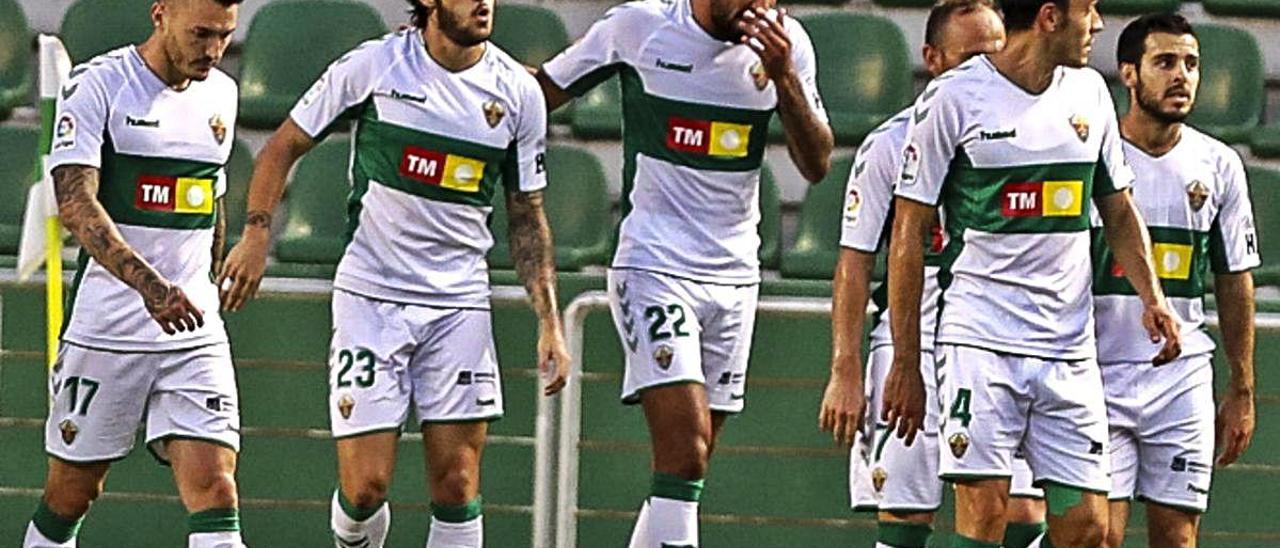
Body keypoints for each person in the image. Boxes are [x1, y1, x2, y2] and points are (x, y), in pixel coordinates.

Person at [217, 0, 570, 546]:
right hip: (372, 296)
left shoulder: (517, 93)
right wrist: (258, 233)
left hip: (458, 303)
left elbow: (527, 214)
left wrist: (549, 318)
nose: (485, 3)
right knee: (366, 488)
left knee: (456, 482)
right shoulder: (376, 67)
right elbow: (282, 145)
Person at [880, 0, 1184, 546]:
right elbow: (908, 232)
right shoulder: (953, 98)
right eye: (1087, 10)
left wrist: (1152, 296)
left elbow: (1117, 207)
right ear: (1049, 16)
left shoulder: (1089, 91)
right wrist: (907, 359)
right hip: (981, 341)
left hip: (1068, 349)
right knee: (985, 515)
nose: (1096, 24)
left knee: (1088, 527)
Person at [535, 1, 833, 545]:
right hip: (654, 262)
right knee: (686, 449)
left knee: (685, 472)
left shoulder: (786, 45)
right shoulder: (640, 28)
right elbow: (542, 92)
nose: (760, 6)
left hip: (736, 275)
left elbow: (816, 162)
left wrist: (786, 75)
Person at [820, 2, 1046, 546]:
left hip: (997, 343)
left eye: (996, 53)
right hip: (909, 345)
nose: (987, 68)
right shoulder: (890, 145)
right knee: (906, 516)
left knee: (1020, 514)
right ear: (933, 58)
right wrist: (846, 367)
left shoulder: (1031, 136)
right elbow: (854, 262)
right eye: (971, 56)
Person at [24, 1, 245, 547]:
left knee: (216, 489)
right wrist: (152, 287)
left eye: (224, 36)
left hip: (194, 330)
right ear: (160, 14)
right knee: (72, 495)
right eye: (200, 33)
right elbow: (75, 204)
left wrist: (208, 280)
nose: (213, 51)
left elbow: (209, 196)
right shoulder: (99, 84)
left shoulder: (223, 93)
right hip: (110, 330)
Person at [1096, 13, 1259, 548]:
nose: (1181, 76)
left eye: (1191, 64)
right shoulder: (1093, 155)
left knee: (1178, 540)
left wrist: (1241, 388)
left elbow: (1235, 281)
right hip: (1097, 372)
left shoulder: (1219, 164)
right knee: (1099, 536)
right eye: (1164, 62)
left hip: (1180, 377)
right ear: (1129, 73)